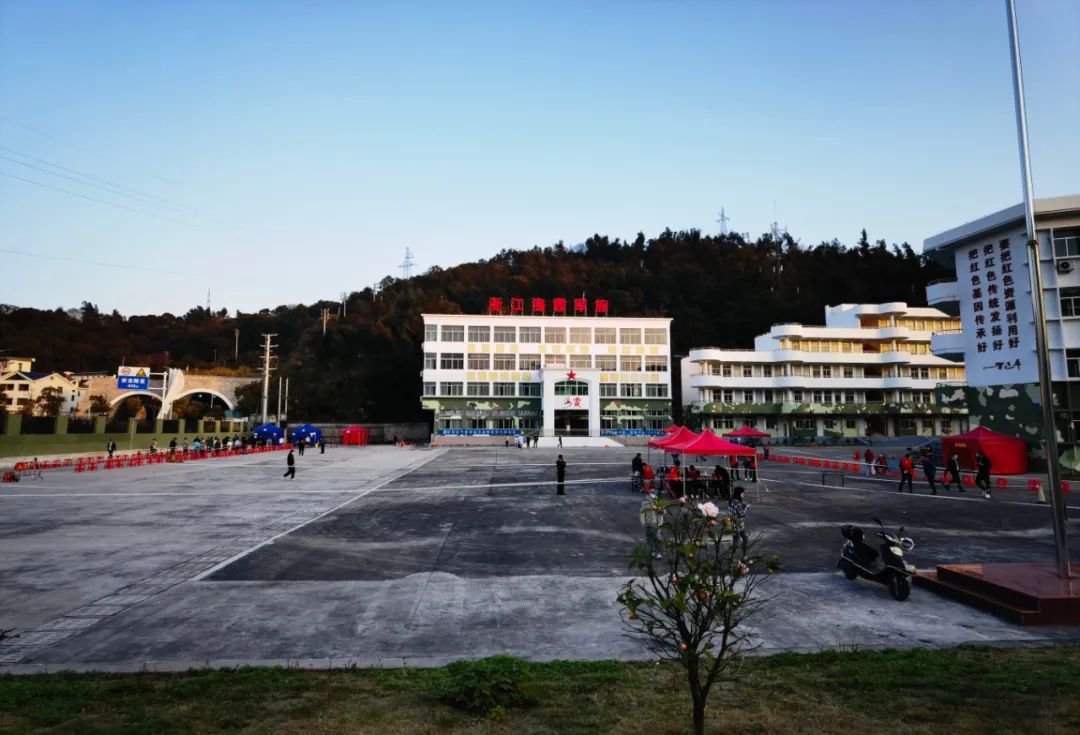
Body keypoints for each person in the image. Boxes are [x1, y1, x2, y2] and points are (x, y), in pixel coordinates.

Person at [640, 492, 663, 560]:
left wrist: (658, 509)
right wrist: (643, 522)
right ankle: (652, 552)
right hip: (648, 524)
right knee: (649, 539)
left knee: (658, 538)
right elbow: (642, 513)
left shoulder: (658, 504)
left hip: (657, 524)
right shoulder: (645, 504)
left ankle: (658, 553)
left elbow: (663, 512)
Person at [729, 486, 749, 554]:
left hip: (732, 523)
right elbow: (741, 514)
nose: (743, 494)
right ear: (739, 493)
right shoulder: (737, 502)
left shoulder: (732, 500)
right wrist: (746, 508)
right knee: (744, 538)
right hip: (738, 524)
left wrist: (742, 506)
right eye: (743, 493)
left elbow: (735, 509)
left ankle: (733, 555)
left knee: (735, 539)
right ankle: (744, 553)